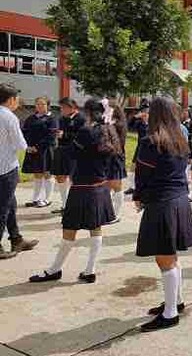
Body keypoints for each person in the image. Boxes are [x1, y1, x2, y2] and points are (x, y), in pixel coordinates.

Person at [29, 99, 121, 283]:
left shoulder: (87, 131)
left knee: (69, 229)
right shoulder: (110, 131)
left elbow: (71, 152)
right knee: (95, 228)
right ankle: (90, 270)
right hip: (100, 185)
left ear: (88, 112)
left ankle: (54, 270)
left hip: (82, 186)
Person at [133, 97, 192, 332]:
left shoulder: (151, 142)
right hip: (178, 199)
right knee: (171, 258)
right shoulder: (180, 139)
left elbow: (142, 175)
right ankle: (176, 302)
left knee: (164, 260)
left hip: (162, 203)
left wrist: (139, 197)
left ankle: (170, 314)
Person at [0, 84, 38, 259]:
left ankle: (16, 238)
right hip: (6, 168)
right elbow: (20, 144)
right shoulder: (9, 117)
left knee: (11, 205)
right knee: (3, 208)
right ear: (11, 100)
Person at [51, 98, 85, 214]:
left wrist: (65, 134)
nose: (61, 110)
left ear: (72, 107)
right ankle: (65, 204)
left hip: (75, 152)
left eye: (63, 107)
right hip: (61, 150)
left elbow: (82, 135)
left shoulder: (81, 119)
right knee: (60, 177)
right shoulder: (62, 119)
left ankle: (75, 206)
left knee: (73, 178)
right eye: (61, 107)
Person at [22, 96, 58, 208]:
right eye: (37, 104)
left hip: (46, 150)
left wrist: (37, 146)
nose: (40, 106)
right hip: (32, 150)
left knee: (47, 173)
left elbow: (51, 136)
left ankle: (47, 199)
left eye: (42, 104)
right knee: (37, 173)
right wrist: (29, 145)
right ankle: (35, 199)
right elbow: (24, 132)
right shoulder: (31, 118)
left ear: (48, 105)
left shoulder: (52, 119)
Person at [107, 102, 127, 222]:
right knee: (107, 186)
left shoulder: (118, 124)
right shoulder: (108, 123)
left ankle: (116, 214)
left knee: (116, 185)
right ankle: (108, 211)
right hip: (107, 157)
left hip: (115, 157)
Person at [124, 103, 150, 196]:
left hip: (149, 148)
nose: (145, 114)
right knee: (132, 167)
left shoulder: (153, 123)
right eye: (143, 111)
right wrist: (135, 117)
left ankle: (145, 187)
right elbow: (129, 126)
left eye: (147, 111)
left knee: (146, 168)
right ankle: (132, 187)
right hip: (139, 147)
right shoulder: (139, 123)